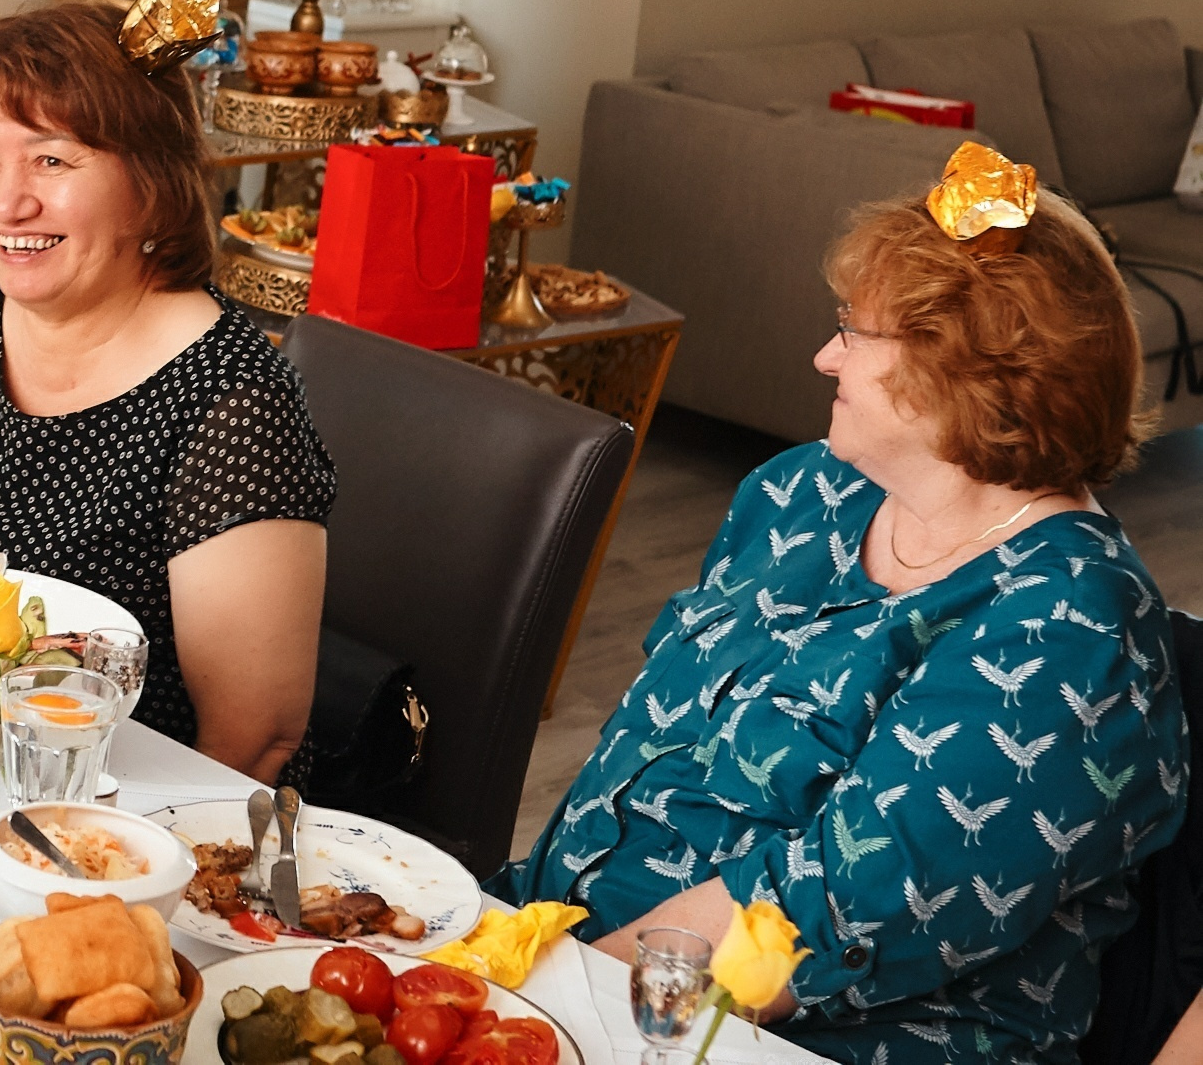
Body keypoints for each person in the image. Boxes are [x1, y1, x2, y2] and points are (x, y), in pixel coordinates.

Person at [501, 146, 1187, 1065]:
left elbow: (798, 932)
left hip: (776, 1037)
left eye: (855, 334)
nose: (826, 355)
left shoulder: (1070, 634)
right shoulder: (808, 492)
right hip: (569, 964)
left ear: (967, 373)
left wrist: (528, 1013)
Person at [0, 2, 335, 783]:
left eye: (52, 160)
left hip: (130, 805)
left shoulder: (234, 400)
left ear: (150, 184)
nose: (7, 203)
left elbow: (251, 743)